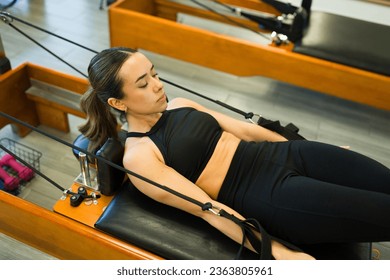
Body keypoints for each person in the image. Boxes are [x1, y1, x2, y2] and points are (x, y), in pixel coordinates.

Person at [79, 47, 390, 260]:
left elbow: (248, 132)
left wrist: (309, 147)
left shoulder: (180, 105)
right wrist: (280, 253)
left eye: (155, 75)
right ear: (118, 103)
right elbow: (207, 209)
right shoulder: (140, 156)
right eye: (143, 84)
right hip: (271, 195)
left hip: (289, 154)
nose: (158, 86)